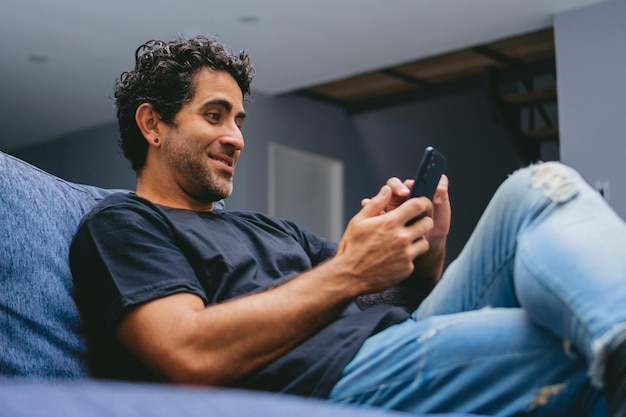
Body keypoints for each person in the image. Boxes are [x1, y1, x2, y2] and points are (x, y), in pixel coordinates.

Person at [69, 35, 626, 417]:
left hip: (392, 339)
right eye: (214, 116)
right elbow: (186, 353)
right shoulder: (122, 226)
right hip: (327, 381)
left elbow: (390, 297)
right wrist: (350, 269)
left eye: (239, 120)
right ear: (152, 124)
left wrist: (423, 250)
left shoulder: (270, 230)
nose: (237, 137)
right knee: (559, 339)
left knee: (539, 186)